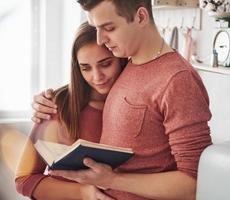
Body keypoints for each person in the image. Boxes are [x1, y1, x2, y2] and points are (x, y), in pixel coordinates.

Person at [32, 0, 213, 199]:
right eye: (96, 28)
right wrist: (50, 98)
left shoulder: (177, 80)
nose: (100, 40)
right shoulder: (127, 64)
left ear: (141, 17)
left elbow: (195, 185)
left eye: (108, 28)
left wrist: (111, 180)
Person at [15, 21, 127, 200]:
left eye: (105, 64)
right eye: (86, 68)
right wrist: (83, 193)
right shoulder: (56, 105)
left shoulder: (135, 103)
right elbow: (24, 179)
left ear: (120, 59)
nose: (97, 77)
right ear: (77, 68)